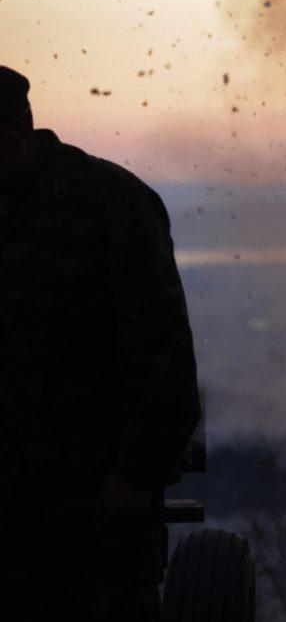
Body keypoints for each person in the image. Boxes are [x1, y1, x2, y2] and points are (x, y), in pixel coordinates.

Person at [0, 66, 200, 621]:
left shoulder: (110, 205)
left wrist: (135, 476)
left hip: (92, 507)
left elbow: (162, 355)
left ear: (9, 143)